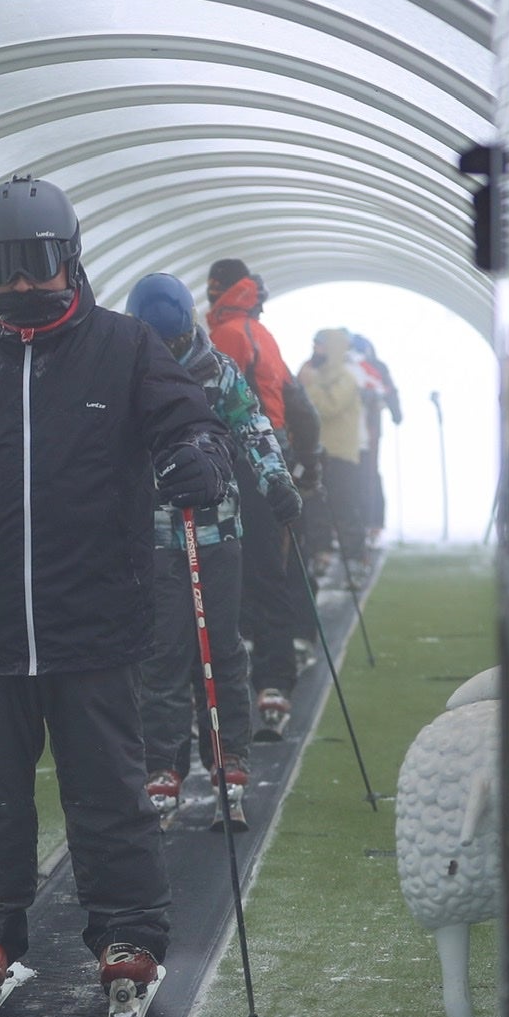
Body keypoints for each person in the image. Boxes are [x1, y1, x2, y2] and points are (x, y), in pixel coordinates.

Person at [0, 175, 234, 1008]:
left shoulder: (125, 347)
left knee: (108, 790)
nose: (22, 283)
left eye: (36, 263)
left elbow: (194, 425)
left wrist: (194, 460)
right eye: (3, 265)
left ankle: (130, 933)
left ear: (69, 259)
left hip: (96, 620)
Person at [124, 272, 301, 822]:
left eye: (175, 342)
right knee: (161, 655)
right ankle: (164, 764)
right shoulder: (122, 377)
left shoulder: (217, 373)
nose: (170, 353)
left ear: (189, 332)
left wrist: (278, 483)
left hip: (217, 532)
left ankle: (230, 759)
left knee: (220, 649)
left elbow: (253, 427)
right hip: (154, 538)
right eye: (159, 344)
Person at [205, 258, 321, 738]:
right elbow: (299, 403)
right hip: (276, 456)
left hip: (239, 462)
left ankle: (243, 677)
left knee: (225, 570)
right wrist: (308, 463)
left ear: (220, 291)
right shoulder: (261, 333)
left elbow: (205, 401)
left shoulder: (227, 334)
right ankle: (276, 680)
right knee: (268, 570)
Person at [298, 328, 366, 578]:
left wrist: (310, 386)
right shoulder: (310, 372)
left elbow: (330, 407)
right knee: (316, 505)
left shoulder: (346, 378)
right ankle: (321, 553)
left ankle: (355, 559)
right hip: (315, 453)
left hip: (340, 454)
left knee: (344, 506)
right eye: (315, 344)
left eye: (321, 345)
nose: (316, 349)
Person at [347, 333, 402, 545]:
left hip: (369, 428)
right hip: (360, 429)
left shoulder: (373, 367)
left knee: (367, 473)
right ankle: (368, 522)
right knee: (363, 474)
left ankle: (372, 522)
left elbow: (387, 391)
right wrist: (396, 413)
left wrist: (396, 412)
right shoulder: (357, 366)